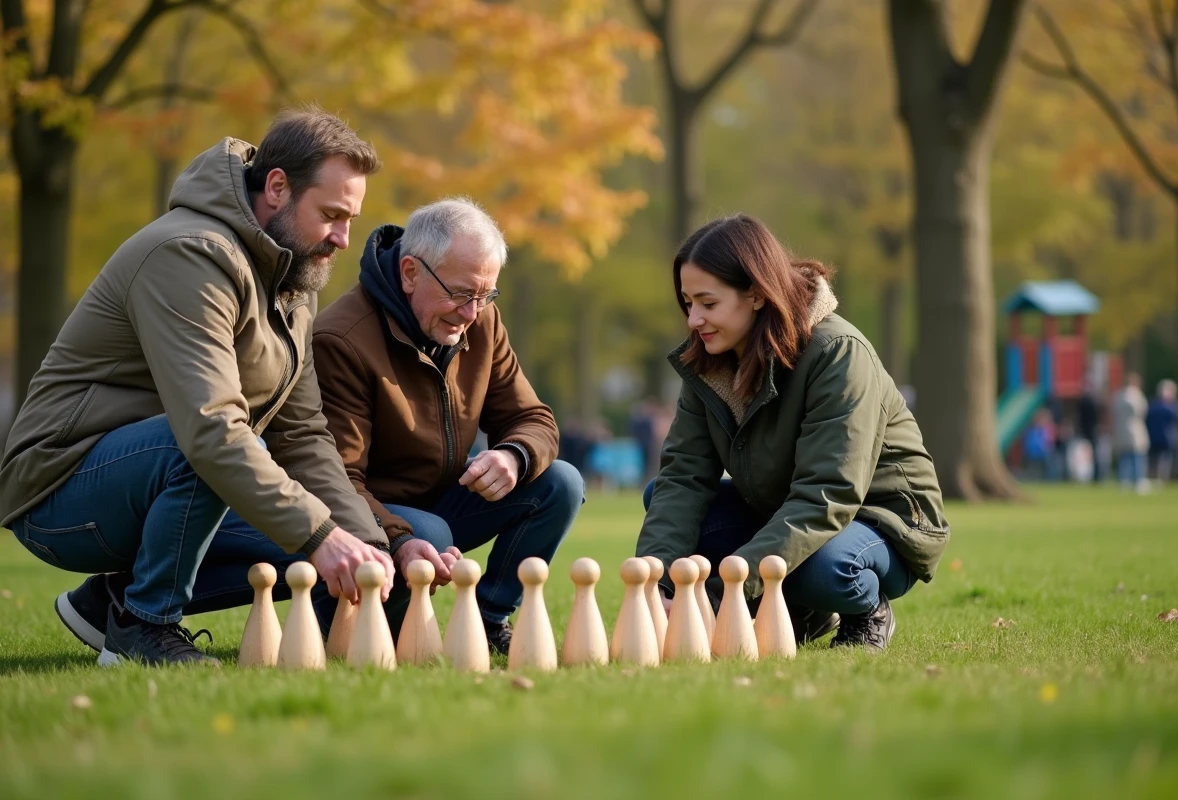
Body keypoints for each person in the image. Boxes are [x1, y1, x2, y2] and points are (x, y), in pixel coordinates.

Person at [0, 109, 397, 666]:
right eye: (331, 214)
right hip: (59, 490)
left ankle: (109, 605)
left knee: (303, 539)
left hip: (159, 478)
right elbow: (211, 429)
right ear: (278, 188)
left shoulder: (292, 283)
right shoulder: (189, 253)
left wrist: (364, 544)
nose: (342, 238)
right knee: (233, 461)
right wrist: (320, 535)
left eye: (351, 219)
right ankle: (144, 626)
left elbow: (303, 432)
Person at [218, 198, 584, 653]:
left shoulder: (479, 320)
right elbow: (337, 480)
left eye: (485, 295)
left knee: (559, 482)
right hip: (364, 521)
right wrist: (399, 537)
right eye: (460, 293)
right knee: (430, 534)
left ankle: (489, 620)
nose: (472, 313)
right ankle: (340, 615)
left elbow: (533, 419)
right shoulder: (343, 340)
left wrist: (514, 454)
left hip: (441, 502)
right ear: (410, 272)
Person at [636, 215, 949, 651]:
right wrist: (656, 584)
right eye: (688, 303)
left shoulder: (838, 354)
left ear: (757, 295)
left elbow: (829, 492)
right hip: (784, 509)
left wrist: (726, 587)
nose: (693, 319)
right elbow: (683, 477)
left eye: (708, 303)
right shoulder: (707, 361)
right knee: (661, 496)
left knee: (824, 568)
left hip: (879, 520)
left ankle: (866, 609)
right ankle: (802, 611)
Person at [1112, 372, 1151, 494]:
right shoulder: (1135, 395)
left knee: (1125, 457)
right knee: (1136, 457)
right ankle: (1138, 480)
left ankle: (1124, 480)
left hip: (1121, 430)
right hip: (1134, 429)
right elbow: (1142, 412)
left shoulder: (1118, 395)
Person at [1146, 379, 1178, 483]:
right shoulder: (1158, 406)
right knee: (1158, 460)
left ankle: (1163, 479)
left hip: (1167, 438)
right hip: (1159, 437)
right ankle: (1158, 479)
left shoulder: (1173, 406)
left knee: (1166, 460)